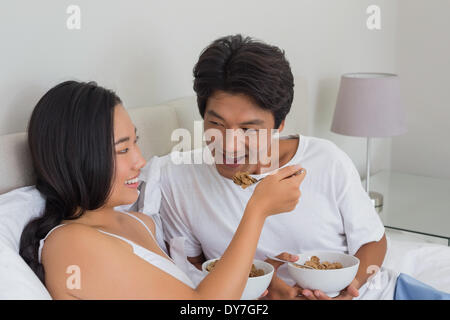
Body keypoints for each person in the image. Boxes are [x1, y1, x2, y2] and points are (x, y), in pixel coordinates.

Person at [155, 34, 391, 300]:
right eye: (217, 124)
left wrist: (350, 288)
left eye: (248, 129)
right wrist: (264, 290)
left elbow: (373, 241)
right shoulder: (178, 179)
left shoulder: (326, 160)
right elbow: (196, 270)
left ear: (279, 125)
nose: (230, 146)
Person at [19, 80, 305, 299]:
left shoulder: (138, 222)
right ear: (77, 159)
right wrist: (257, 211)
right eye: (122, 149)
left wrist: (255, 282)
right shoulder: (71, 245)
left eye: (135, 142)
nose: (140, 161)